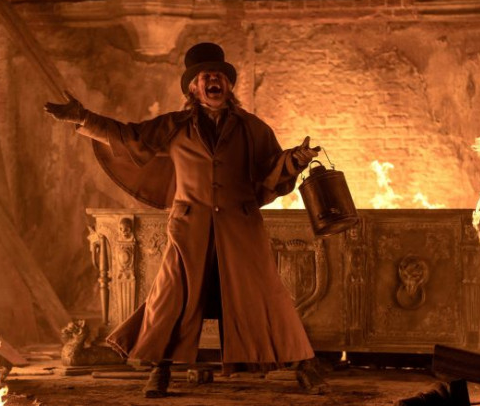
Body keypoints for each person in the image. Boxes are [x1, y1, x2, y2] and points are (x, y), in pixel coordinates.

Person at [44, 42, 328, 397]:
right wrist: (84, 118)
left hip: (241, 228)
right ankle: (159, 370)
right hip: (189, 227)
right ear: (193, 88)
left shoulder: (252, 128)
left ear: (228, 85)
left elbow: (271, 168)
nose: (213, 80)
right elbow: (129, 137)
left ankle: (305, 365)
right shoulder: (174, 127)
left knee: (267, 296)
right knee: (170, 297)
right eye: (205, 76)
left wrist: (296, 159)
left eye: (219, 75)